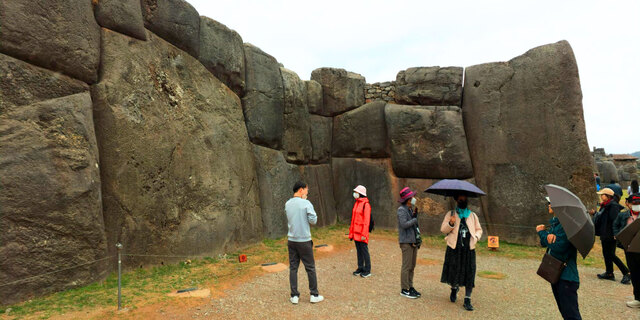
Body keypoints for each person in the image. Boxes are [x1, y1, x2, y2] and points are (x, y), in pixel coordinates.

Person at [537, 196, 582, 320]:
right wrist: (546, 237)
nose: (548, 205)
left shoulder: (565, 225)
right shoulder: (556, 223)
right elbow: (545, 243)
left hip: (566, 277)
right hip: (557, 273)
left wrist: (542, 233)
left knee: (571, 314)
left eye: (550, 203)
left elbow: (558, 247)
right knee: (565, 312)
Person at [440, 193, 483, 311]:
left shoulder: (473, 216)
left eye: (464, 198)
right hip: (454, 248)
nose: (463, 199)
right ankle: (454, 288)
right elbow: (443, 229)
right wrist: (451, 223)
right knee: (454, 270)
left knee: (470, 272)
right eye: (460, 198)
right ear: (456, 200)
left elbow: (479, 229)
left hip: (468, 250)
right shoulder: (451, 214)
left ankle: (467, 299)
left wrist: (476, 237)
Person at [285, 181, 324, 304]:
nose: (307, 191)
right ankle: (314, 294)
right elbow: (313, 220)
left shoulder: (287, 204)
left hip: (291, 240)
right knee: (310, 268)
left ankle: (294, 296)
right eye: (306, 189)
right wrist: (305, 202)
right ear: (301, 190)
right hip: (304, 240)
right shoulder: (306, 203)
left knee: (293, 268)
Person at [590, 188, 630, 283]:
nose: (601, 196)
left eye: (602, 194)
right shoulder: (605, 205)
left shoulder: (613, 206)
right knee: (606, 253)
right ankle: (609, 273)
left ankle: (626, 272)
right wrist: (595, 213)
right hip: (605, 233)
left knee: (611, 254)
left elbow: (615, 221)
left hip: (611, 234)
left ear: (608, 196)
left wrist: (615, 234)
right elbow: (604, 218)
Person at [613, 192, 640, 307]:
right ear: (628, 204)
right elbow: (615, 225)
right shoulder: (623, 215)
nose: (637, 205)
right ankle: (638, 298)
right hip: (628, 248)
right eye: (634, 203)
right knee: (634, 273)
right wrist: (617, 235)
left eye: (639, 203)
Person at [397, 187, 422, 299]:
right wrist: (414, 219)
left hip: (412, 241)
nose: (413, 199)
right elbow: (404, 224)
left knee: (412, 266)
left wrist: (414, 216)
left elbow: (412, 225)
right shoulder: (401, 210)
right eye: (412, 197)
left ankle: (410, 287)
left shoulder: (410, 209)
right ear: (408, 199)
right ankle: (404, 289)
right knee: (406, 266)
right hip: (406, 242)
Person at [349, 185, 372, 278]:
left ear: (361, 194)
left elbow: (366, 221)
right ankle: (360, 267)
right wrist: (351, 232)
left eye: (357, 192)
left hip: (362, 233)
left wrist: (364, 234)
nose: (355, 194)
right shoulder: (357, 203)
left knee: (364, 251)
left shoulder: (366, 205)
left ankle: (367, 269)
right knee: (359, 251)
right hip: (356, 232)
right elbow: (353, 219)